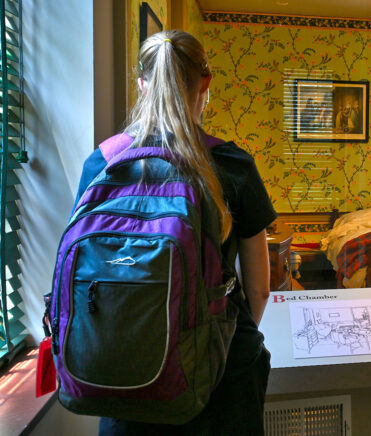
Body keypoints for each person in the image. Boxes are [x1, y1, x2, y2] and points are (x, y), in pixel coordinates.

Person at [73, 30, 276, 435]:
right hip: (220, 382)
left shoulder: (101, 164)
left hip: (125, 373)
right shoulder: (233, 165)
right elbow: (259, 290)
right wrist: (214, 343)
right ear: (205, 84)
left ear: (142, 85)